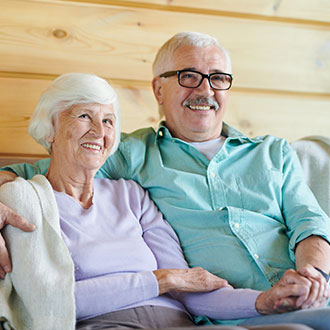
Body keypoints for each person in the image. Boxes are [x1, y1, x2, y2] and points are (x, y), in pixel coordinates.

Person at [0, 32, 330, 329]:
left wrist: (312, 277)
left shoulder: (273, 152)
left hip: (302, 297)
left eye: (218, 78)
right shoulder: (133, 154)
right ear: (159, 88)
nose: (205, 90)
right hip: (224, 315)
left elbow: (310, 223)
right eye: (189, 76)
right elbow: (54, 169)